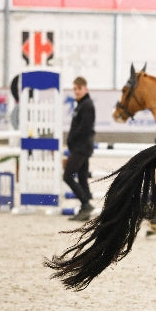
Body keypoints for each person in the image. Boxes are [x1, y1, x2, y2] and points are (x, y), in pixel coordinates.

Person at [64, 76, 96, 221]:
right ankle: (85, 208)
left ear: (85, 88)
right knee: (82, 178)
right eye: (75, 89)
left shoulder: (87, 105)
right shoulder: (82, 104)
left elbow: (84, 128)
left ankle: (85, 204)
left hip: (81, 148)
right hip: (79, 147)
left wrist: (71, 139)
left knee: (67, 176)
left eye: (79, 88)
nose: (76, 91)